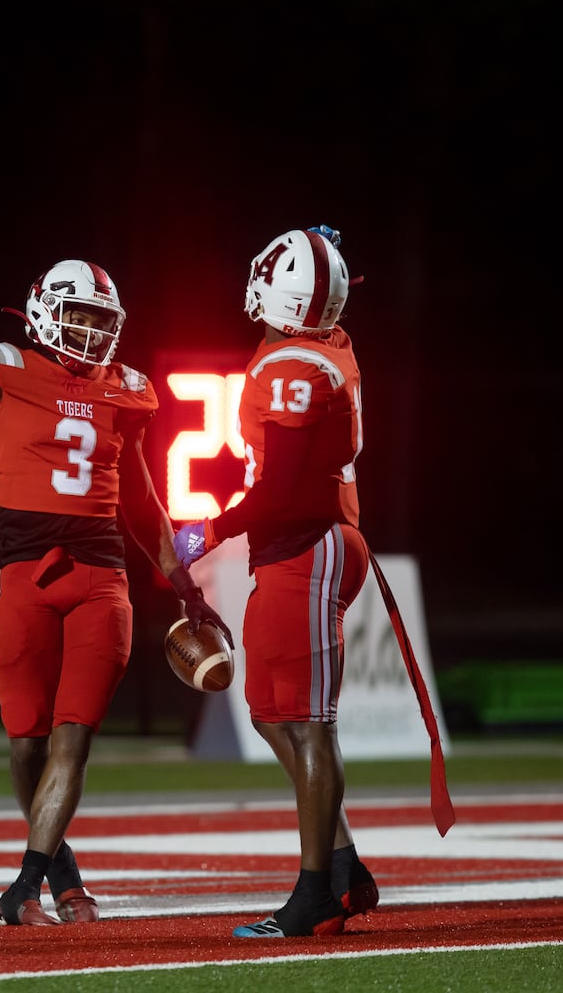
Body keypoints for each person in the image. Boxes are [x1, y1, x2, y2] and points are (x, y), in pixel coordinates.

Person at [0, 214, 232, 926]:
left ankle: (26, 884)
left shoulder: (127, 391)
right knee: (26, 743)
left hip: (103, 580)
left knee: (72, 738)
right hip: (25, 577)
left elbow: (143, 499)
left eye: (100, 317)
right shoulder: (5, 371)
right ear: (44, 314)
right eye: (79, 314)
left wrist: (183, 581)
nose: (91, 330)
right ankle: (65, 877)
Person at [172, 225, 380, 938]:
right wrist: (320, 259)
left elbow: (285, 488)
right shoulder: (324, 345)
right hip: (309, 544)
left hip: (305, 542)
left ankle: (317, 893)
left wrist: (210, 530)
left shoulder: (291, 363)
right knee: (269, 712)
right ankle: (346, 864)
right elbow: (319, 305)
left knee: (308, 725)